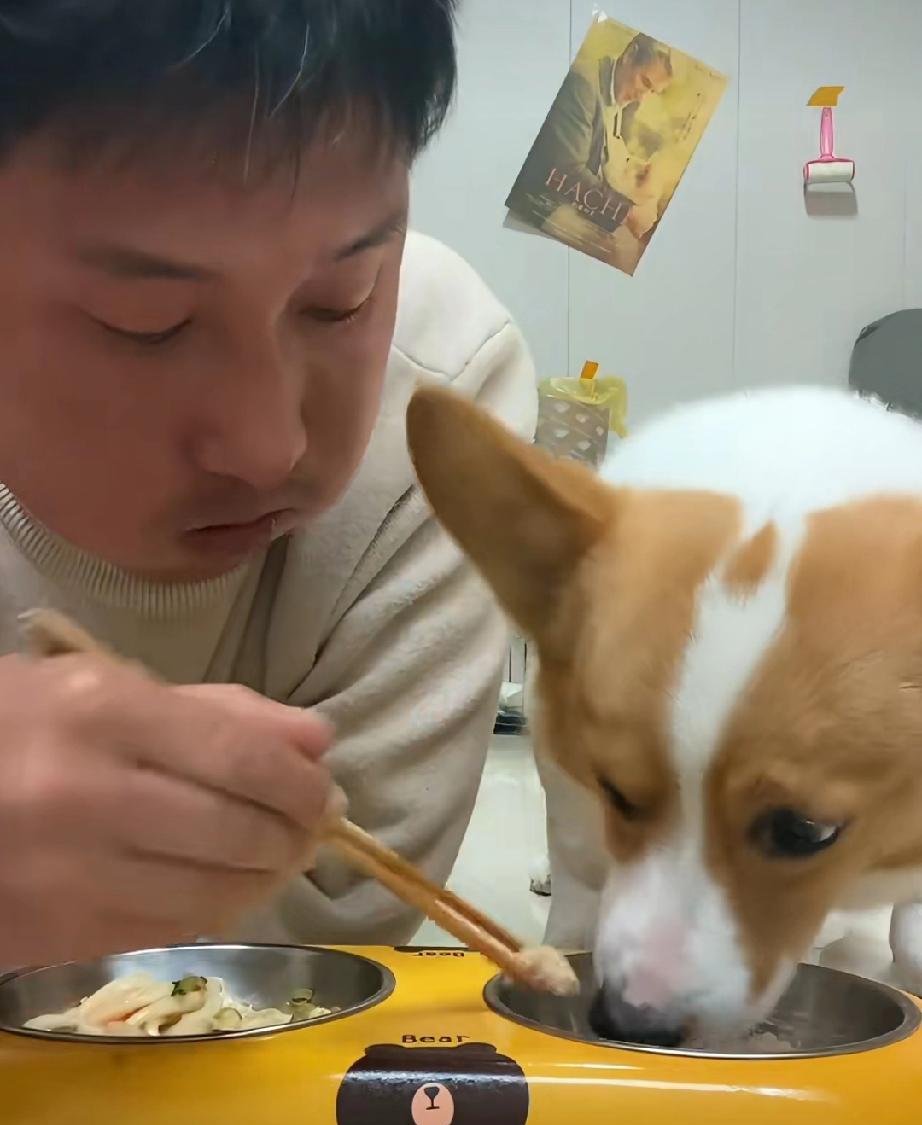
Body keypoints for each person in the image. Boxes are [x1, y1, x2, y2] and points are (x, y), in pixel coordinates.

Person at [0, 0, 537, 970]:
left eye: (342, 300)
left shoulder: (440, 394)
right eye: (145, 321)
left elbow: (328, 948)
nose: (269, 447)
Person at [508, 31, 673, 241]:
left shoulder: (621, 95)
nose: (643, 98)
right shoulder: (583, 84)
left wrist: (640, 169)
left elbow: (607, 151)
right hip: (541, 200)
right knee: (623, 250)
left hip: (574, 198)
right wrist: (627, 213)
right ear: (630, 54)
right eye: (645, 82)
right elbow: (566, 171)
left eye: (652, 92)